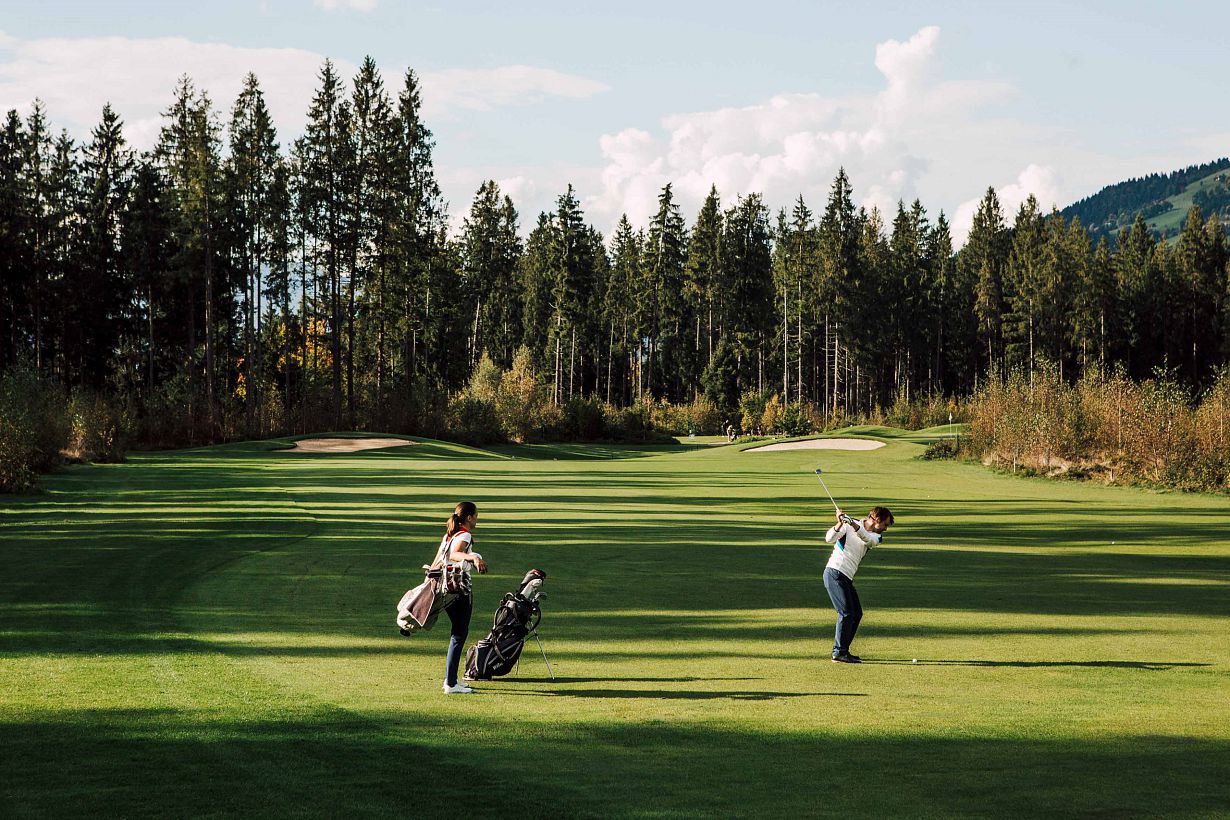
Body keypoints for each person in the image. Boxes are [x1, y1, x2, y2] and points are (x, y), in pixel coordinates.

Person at [822, 505, 894, 663]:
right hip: (834, 572)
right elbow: (829, 538)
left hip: (846, 577)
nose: (886, 529)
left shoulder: (876, 537)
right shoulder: (848, 525)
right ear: (875, 519)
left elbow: (866, 538)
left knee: (856, 614)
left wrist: (852, 524)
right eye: (885, 524)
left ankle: (843, 651)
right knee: (846, 612)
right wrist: (840, 523)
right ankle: (839, 652)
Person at [436, 501, 487, 693]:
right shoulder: (465, 534)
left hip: (444, 587)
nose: (477, 519)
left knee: (457, 633)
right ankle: (450, 683)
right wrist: (473, 558)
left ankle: (451, 679)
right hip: (459, 588)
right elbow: (455, 554)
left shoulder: (449, 535)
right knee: (459, 633)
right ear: (469, 517)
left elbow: (439, 559)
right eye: (476, 515)